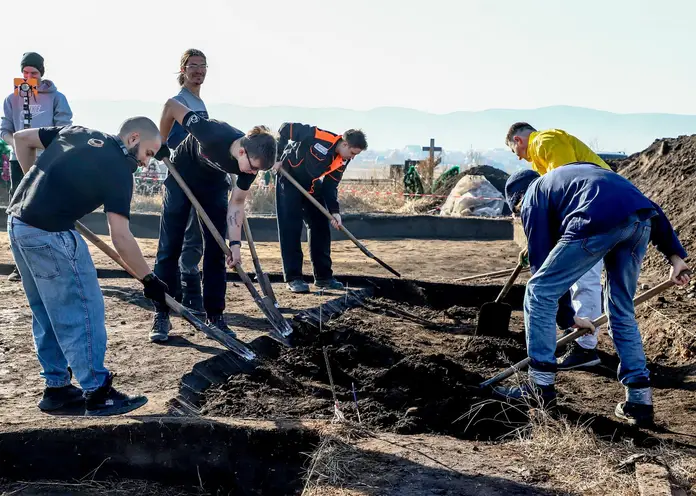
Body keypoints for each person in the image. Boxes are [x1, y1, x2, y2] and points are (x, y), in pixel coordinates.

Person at [496, 164, 690, 426]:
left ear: (518, 201)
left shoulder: (532, 196)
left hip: (595, 220)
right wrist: (674, 256)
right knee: (621, 309)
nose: (522, 217)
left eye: (518, 213)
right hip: (640, 223)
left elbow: (543, 269)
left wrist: (567, 318)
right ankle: (639, 401)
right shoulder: (575, 176)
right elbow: (648, 205)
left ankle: (539, 388)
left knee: (538, 291)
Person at [7, 117, 169, 416]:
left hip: (18, 224)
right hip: (50, 234)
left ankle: (57, 390)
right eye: (148, 153)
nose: (147, 164)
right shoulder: (120, 169)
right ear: (134, 138)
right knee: (83, 309)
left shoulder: (78, 132)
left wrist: (36, 181)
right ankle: (98, 393)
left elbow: (20, 138)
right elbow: (120, 236)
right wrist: (149, 279)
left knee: (46, 310)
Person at [150, 99, 277, 342]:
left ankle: (215, 315)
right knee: (170, 247)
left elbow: (237, 203)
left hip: (213, 186)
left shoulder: (250, 166)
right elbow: (171, 106)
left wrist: (236, 246)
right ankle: (162, 312)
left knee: (218, 250)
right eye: (252, 168)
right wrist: (161, 142)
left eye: (257, 171)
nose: (252, 174)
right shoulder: (210, 132)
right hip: (181, 177)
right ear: (242, 151)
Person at [505, 122, 611, 370]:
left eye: (514, 151)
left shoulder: (545, 141)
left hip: (595, 209)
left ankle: (585, 347)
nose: (519, 158)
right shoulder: (540, 160)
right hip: (601, 208)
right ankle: (588, 340)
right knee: (592, 281)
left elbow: (568, 186)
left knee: (584, 278)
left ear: (518, 141)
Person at [1, 52, 73, 282]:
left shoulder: (56, 97)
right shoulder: (11, 99)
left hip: (47, 159)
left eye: (34, 72)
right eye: (25, 73)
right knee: (18, 208)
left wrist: (42, 148)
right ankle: (20, 264)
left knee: (47, 204)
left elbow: (64, 128)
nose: (29, 76)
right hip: (17, 160)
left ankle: (55, 258)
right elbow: (5, 129)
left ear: (42, 73)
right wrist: (19, 145)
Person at [274, 123, 367, 293]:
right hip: (288, 180)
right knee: (291, 228)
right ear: (345, 144)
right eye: (353, 153)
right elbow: (285, 129)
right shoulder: (319, 136)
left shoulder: (342, 161)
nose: (352, 158)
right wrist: (277, 157)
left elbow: (330, 186)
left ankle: (324, 277)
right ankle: (294, 278)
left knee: (321, 226)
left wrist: (334, 212)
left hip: (311, 186)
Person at [161, 48, 210, 318]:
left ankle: (192, 294)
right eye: (193, 66)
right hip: (178, 178)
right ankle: (167, 302)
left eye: (202, 66)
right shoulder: (177, 101)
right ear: (183, 70)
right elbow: (163, 139)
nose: (198, 70)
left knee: (195, 238)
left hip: (199, 179)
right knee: (172, 241)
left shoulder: (200, 105)